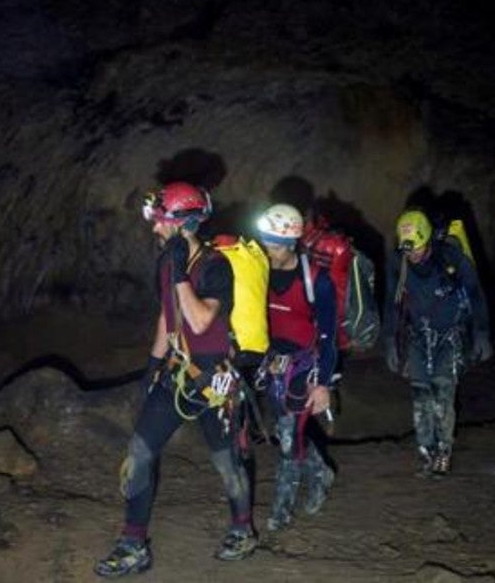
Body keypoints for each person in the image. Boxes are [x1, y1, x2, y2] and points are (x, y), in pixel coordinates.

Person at [94, 183, 256, 577]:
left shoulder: (217, 266)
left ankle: (242, 529)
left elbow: (201, 320)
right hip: (176, 374)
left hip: (213, 381)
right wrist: (152, 367)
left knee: (226, 462)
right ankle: (133, 544)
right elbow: (169, 317)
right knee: (138, 454)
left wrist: (181, 271)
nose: (154, 229)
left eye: (161, 220)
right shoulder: (168, 261)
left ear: (182, 222)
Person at [384, 209, 491, 476]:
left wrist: (481, 333)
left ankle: (444, 450)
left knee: (443, 395)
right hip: (418, 335)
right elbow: (392, 304)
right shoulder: (400, 262)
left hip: (450, 334)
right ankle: (426, 452)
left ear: (429, 240)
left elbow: (475, 292)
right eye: (409, 250)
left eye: (418, 249)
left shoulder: (450, 257)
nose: (414, 255)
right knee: (421, 396)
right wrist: (389, 341)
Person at [254, 204, 338, 531]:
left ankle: (280, 512)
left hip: (305, 366)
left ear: (290, 245)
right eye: (264, 243)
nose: (266, 251)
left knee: (289, 440)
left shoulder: (317, 280)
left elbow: (329, 337)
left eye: (272, 246)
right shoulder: (259, 270)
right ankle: (321, 471)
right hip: (272, 364)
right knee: (286, 431)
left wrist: (324, 383)